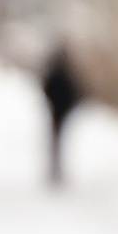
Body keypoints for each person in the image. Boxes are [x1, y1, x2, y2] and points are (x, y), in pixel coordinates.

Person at [39, 44, 81, 186]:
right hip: (59, 111)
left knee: (56, 141)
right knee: (57, 141)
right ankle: (55, 169)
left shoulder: (60, 74)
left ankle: (55, 168)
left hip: (58, 111)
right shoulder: (65, 74)